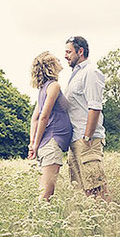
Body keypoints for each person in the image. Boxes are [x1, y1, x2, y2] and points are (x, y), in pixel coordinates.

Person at [63, 36, 109, 200]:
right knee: (84, 192)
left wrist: (87, 137)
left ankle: (111, 223)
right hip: (75, 141)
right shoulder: (76, 75)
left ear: (80, 51)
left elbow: (95, 106)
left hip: (86, 140)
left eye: (69, 52)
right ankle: (94, 225)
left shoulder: (91, 72)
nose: (65, 56)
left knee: (96, 189)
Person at [28, 51, 73, 201]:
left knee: (45, 191)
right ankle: (36, 222)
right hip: (51, 144)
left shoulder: (43, 88)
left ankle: (37, 220)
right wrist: (34, 145)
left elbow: (34, 119)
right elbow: (43, 117)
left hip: (47, 144)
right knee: (46, 193)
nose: (60, 60)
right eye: (56, 59)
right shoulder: (53, 86)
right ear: (50, 66)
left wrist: (33, 142)